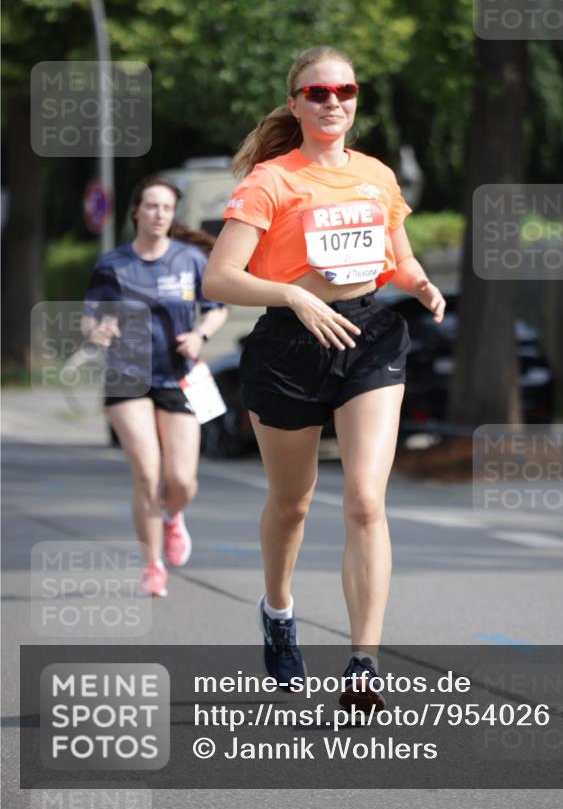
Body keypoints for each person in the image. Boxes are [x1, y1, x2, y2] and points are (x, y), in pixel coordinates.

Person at [203, 45, 445, 711]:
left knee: (366, 500)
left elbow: (395, 258)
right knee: (294, 503)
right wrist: (294, 296)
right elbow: (219, 277)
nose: (332, 101)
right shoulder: (270, 181)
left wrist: (419, 283)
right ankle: (278, 610)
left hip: (368, 337)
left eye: (344, 90)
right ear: (294, 103)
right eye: (316, 92)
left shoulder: (375, 176)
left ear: (355, 98)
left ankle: (362, 663)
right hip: (289, 345)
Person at [82, 176, 228, 597]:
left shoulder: (189, 260)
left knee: (182, 480)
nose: (159, 214)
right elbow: (89, 319)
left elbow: (217, 309)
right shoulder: (113, 265)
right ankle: (153, 565)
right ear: (136, 211)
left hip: (178, 376)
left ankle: (173, 516)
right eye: (152, 206)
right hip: (126, 376)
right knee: (147, 473)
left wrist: (200, 335)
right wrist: (99, 330)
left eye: (166, 208)